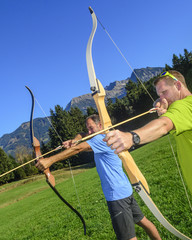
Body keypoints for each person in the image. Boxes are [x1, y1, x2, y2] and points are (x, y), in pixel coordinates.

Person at [36, 114, 161, 240]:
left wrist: (49, 161)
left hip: (116, 197)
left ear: (100, 125)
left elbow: (78, 149)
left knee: (127, 237)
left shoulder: (99, 140)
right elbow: (82, 134)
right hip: (125, 191)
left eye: (91, 128)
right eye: (88, 128)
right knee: (143, 221)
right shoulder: (108, 136)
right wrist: (75, 139)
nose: (89, 132)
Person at [104, 70, 192, 194]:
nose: (161, 98)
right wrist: (166, 113)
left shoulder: (184, 105)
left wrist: (131, 137)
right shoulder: (186, 108)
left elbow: (163, 125)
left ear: (178, 86)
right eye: (159, 95)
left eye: (164, 92)